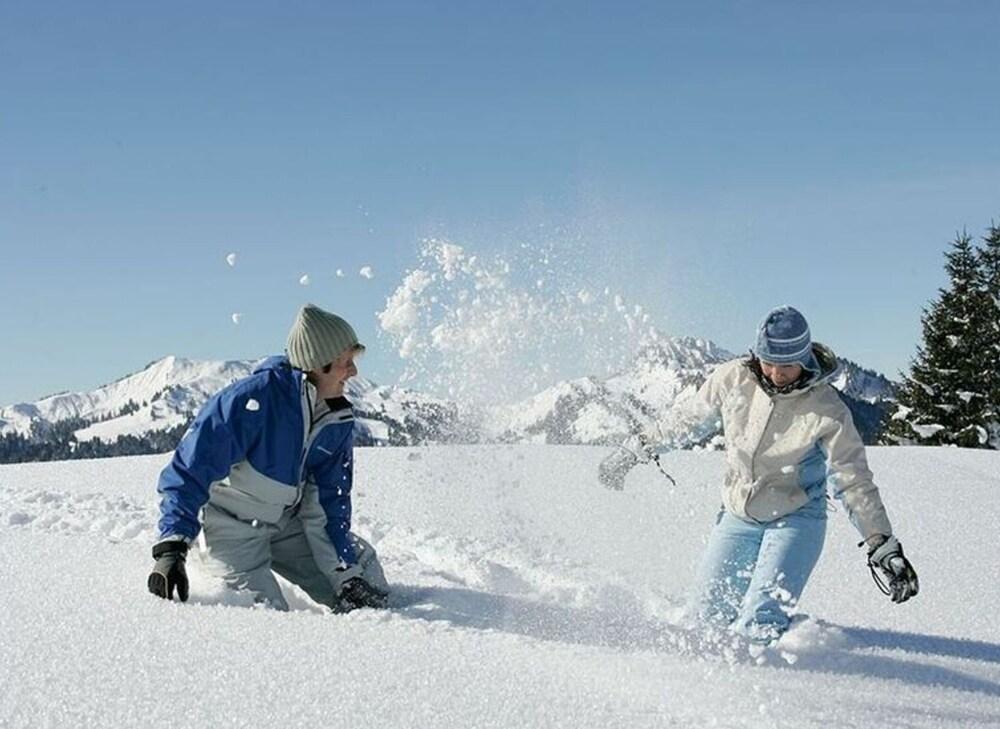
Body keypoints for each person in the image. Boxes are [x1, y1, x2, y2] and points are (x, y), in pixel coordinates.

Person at [599, 305, 918, 643]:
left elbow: (852, 479)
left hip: (796, 518)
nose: (776, 374)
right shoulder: (733, 379)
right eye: (768, 363)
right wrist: (635, 450)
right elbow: (685, 421)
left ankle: (766, 672)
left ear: (805, 359)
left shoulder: (826, 409)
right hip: (738, 515)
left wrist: (881, 544)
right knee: (705, 617)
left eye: (787, 365)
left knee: (761, 619)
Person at [147, 303, 390, 612]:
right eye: (346, 362)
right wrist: (172, 548)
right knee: (266, 614)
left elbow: (329, 503)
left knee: (366, 578)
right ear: (320, 363)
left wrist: (345, 575)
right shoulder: (251, 400)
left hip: (287, 523)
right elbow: (189, 471)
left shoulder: (336, 419)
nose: (353, 371)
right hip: (231, 530)